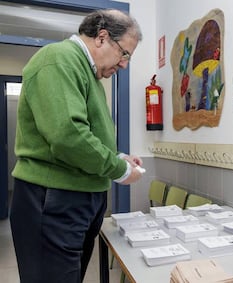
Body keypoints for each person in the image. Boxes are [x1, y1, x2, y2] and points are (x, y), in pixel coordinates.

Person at [9, 9, 143, 283]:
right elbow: (68, 135)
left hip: (76, 200)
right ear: (102, 37)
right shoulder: (58, 59)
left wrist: (119, 157)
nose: (125, 65)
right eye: (125, 54)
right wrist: (118, 169)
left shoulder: (87, 74)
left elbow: (87, 134)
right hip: (54, 199)